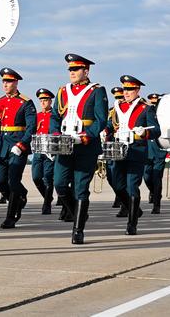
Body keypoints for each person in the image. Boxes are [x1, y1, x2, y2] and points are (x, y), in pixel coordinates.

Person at [51, 54, 109, 244]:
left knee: (80, 188)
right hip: (65, 145)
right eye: (70, 69)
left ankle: (78, 230)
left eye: (76, 69)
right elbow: (55, 116)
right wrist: (55, 133)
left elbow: (101, 120)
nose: (72, 72)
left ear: (86, 71)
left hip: (86, 146)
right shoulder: (63, 91)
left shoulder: (97, 91)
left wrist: (87, 135)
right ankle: (78, 213)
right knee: (59, 184)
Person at [106, 75, 159, 235]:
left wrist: (144, 133)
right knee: (117, 185)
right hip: (118, 151)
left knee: (132, 186)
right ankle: (134, 209)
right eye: (125, 89)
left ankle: (132, 224)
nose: (126, 92)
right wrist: (105, 131)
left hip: (136, 151)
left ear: (137, 90)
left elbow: (156, 130)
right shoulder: (117, 107)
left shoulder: (146, 108)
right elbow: (110, 125)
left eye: (130, 89)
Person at [0, 68, 36, 229]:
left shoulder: (26, 102)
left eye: (9, 81)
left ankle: (11, 216)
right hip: (2, 144)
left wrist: (22, 144)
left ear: (16, 83)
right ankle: (21, 194)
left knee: (13, 180)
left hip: (17, 144)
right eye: (4, 81)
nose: (5, 84)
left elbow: (31, 127)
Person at [31, 88, 56, 215]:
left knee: (48, 177)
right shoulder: (37, 116)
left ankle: (47, 204)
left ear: (50, 101)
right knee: (36, 177)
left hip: (50, 150)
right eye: (41, 100)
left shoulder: (55, 116)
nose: (43, 102)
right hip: (38, 149)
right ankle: (48, 196)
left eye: (45, 100)